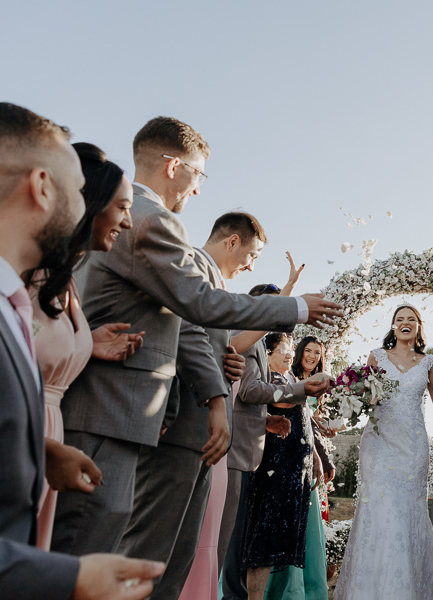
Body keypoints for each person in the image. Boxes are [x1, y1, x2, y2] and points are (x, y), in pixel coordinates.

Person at [53, 116, 343, 558]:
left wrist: (216, 379)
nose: (199, 188)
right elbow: (200, 305)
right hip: (109, 406)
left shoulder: (138, 218)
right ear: (174, 166)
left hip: (130, 410)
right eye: (199, 173)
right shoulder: (151, 221)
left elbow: (183, 326)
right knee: (91, 547)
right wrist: (295, 306)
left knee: (117, 547)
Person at [0, 100, 163, 600]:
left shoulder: (1, 299)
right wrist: (69, 579)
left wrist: (38, 449)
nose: (88, 209)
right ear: (41, 188)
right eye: (80, 192)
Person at [117, 212, 279, 598]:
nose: (251, 265)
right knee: (152, 551)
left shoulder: (216, 284)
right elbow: (182, 335)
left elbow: (206, 346)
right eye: (252, 254)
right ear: (232, 242)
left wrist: (229, 362)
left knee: (181, 553)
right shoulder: (190, 267)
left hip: (202, 434)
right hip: (179, 423)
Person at [31, 142, 145, 550]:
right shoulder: (31, 271)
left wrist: (86, 343)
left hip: (50, 433)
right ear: (90, 204)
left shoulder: (68, 279)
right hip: (27, 435)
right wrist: (40, 449)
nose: (128, 222)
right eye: (122, 207)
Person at [219, 278, 327, 600]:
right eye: (275, 305)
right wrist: (301, 390)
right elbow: (250, 391)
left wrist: (266, 421)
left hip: (252, 448)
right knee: (232, 537)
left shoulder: (255, 343)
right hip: (238, 451)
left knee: (238, 535)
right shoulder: (251, 344)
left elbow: (244, 399)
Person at [334, 305, 433, 600]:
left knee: (408, 512)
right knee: (379, 509)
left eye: (411, 319)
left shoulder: (429, 363)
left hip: (412, 449)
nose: (405, 323)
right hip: (379, 446)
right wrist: (356, 393)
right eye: (400, 319)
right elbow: (366, 401)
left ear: (419, 327)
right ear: (393, 327)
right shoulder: (377, 356)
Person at [242, 334, 330, 600]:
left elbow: (303, 417)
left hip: (297, 468)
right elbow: (283, 403)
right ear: (266, 354)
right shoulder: (270, 378)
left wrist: (315, 456)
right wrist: (309, 386)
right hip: (276, 468)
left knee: (282, 536)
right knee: (266, 535)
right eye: (283, 349)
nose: (290, 354)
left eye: (292, 349)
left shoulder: (291, 380)